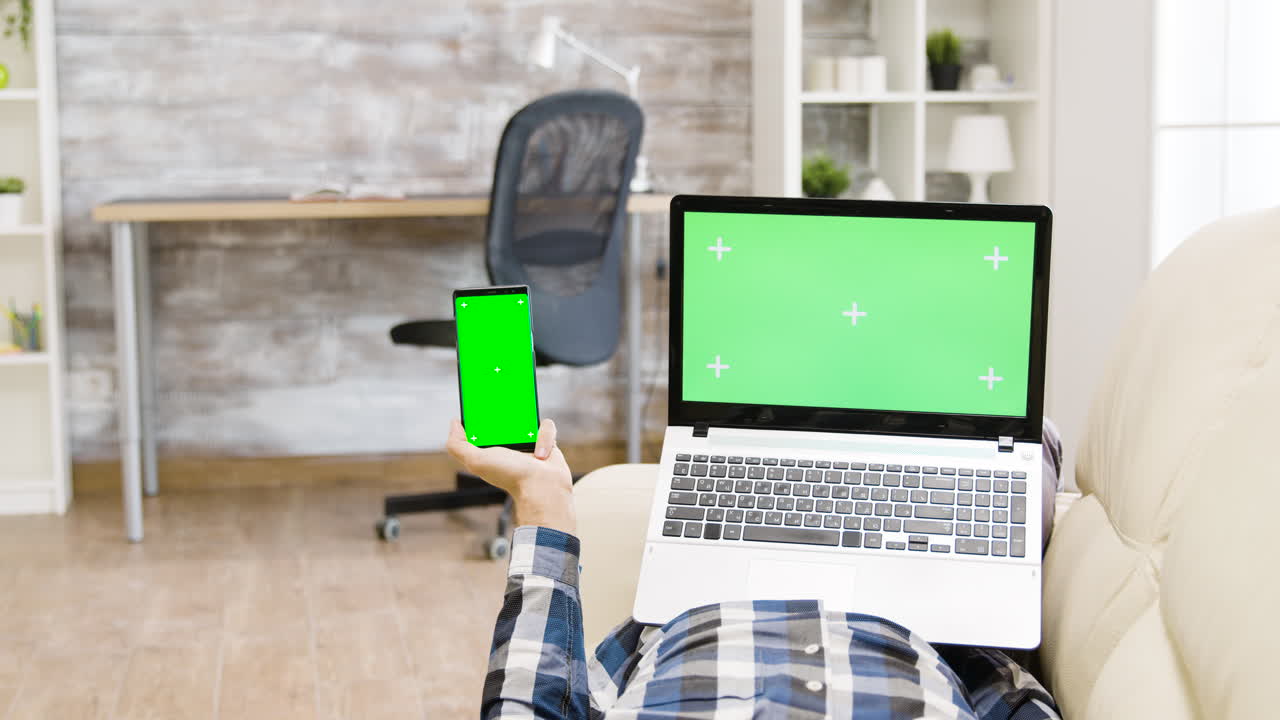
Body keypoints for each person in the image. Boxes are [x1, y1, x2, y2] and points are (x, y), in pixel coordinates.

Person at [447, 418, 1061, 719]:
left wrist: (544, 501)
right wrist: (978, 641)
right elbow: (1010, 698)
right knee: (1019, 444)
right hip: (906, 625)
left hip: (696, 627)